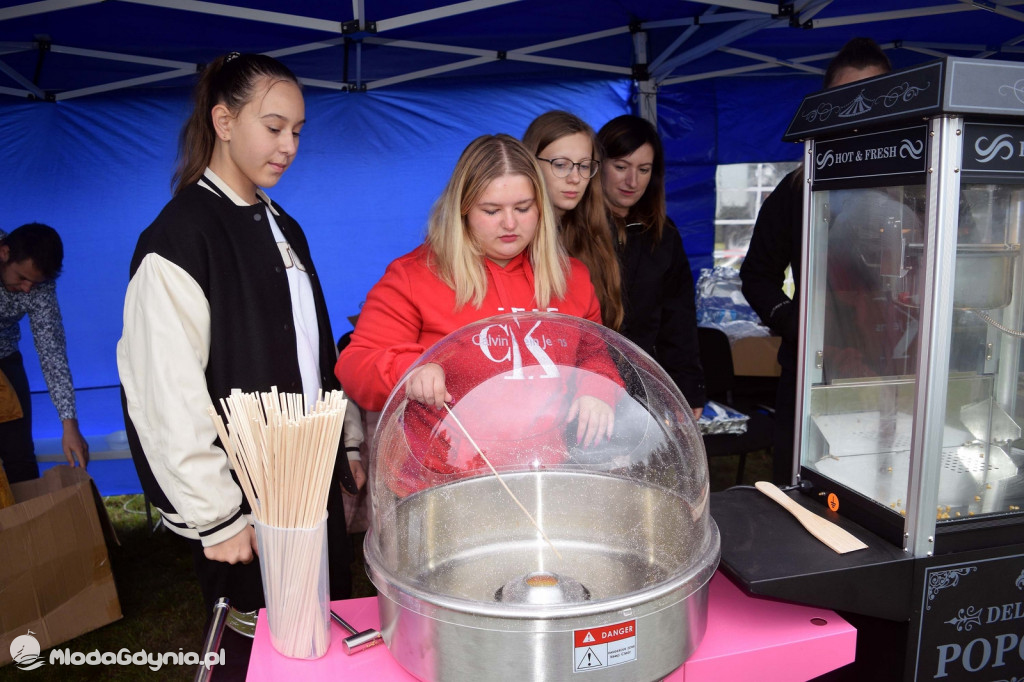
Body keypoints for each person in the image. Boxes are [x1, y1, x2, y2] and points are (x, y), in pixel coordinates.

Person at [116, 52, 363, 677]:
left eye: (298, 131)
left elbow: (311, 357)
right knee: (252, 655)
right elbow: (163, 392)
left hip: (305, 486)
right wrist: (216, 516)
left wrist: (337, 455)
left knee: (320, 646)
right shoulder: (179, 238)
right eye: (274, 126)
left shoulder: (285, 227)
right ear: (223, 122)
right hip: (243, 505)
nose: (288, 146)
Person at [336, 134, 623, 494]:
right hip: (440, 483)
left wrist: (597, 389)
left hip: (546, 473)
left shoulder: (573, 277)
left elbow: (593, 351)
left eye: (523, 208)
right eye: (491, 210)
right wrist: (413, 369)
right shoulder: (413, 275)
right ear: (463, 209)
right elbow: (356, 364)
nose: (509, 224)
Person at [739, 37, 892, 484]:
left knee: (887, 483)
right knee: (804, 490)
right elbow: (757, 275)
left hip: (898, 375)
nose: (860, 111)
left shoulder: (926, 180)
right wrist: (797, 325)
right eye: (847, 99)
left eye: (874, 98)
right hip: (812, 374)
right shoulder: (796, 188)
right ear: (827, 104)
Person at [596, 115, 706, 419]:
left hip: (640, 388)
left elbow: (679, 318)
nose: (632, 181)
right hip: (583, 386)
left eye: (643, 170)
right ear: (597, 164)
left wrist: (689, 386)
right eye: (621, 167)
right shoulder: (574, 230)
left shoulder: (663, 233)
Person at [0, 223, 89, 483]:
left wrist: (69, 424)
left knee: (19, 456)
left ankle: (29, 522)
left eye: (35, 282)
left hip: (5, 358)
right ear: (4, 252)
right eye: (22, 278)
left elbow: (52, 353)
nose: (28, 288)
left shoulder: (40, 287)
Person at [523, 110, 624, 331]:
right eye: (561, 164)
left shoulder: (596, 235)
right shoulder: (510, 237)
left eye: (584, 165)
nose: (575, 178)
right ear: (530, 162)